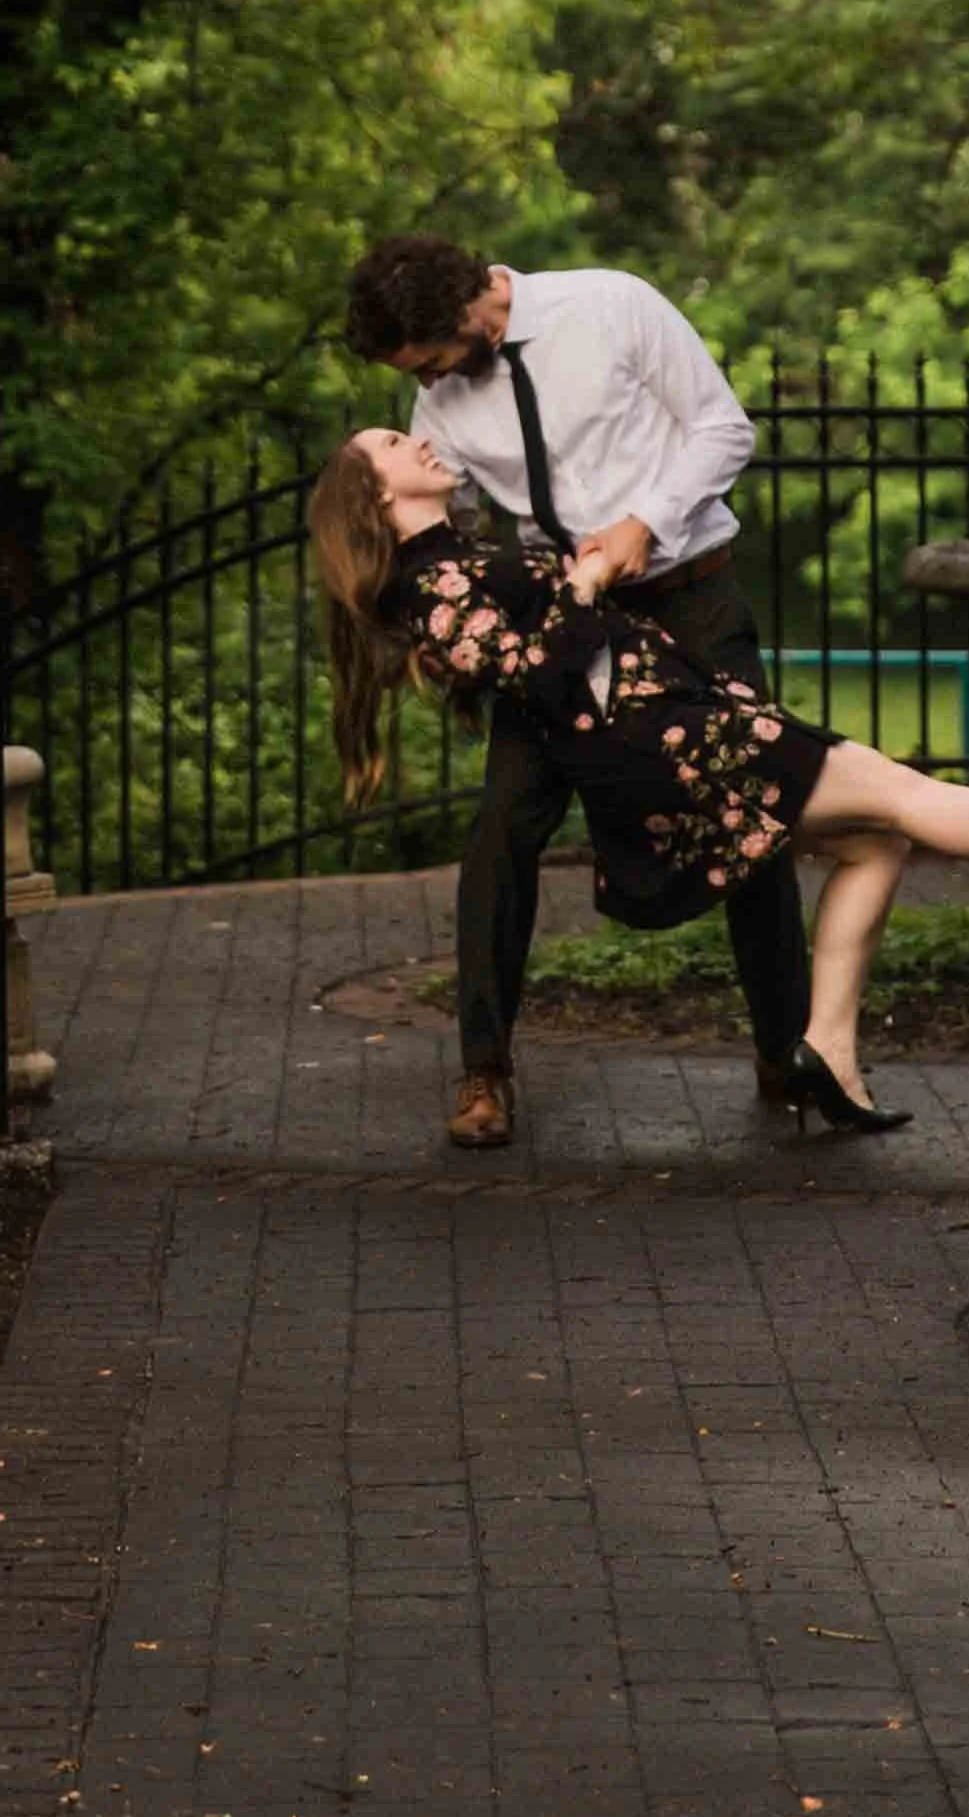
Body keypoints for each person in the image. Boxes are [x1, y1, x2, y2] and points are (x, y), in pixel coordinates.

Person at [309, 421, 969, 1141]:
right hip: (665, 744)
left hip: (683, 724)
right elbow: (537, 676)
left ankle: (830, 1053)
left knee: (877, 840)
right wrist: (583, 584)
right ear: (379, 496)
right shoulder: (427, 589)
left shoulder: (460, 559)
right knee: (901, 795)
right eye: (393, 443)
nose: (419, 440)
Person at [340, 232, 805, 1151]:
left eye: (430, 359)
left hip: (691, 597)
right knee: (504, 828)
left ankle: (786, 1053)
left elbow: (724, 428)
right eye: (414, 373)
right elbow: (446, 517)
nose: (427, 384)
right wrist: (443, 625)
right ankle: (484, 1070)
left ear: (470, 308)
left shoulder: (612, 304)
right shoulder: (438, 396)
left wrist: (646, 521)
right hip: (563, 633)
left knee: (759, 813)